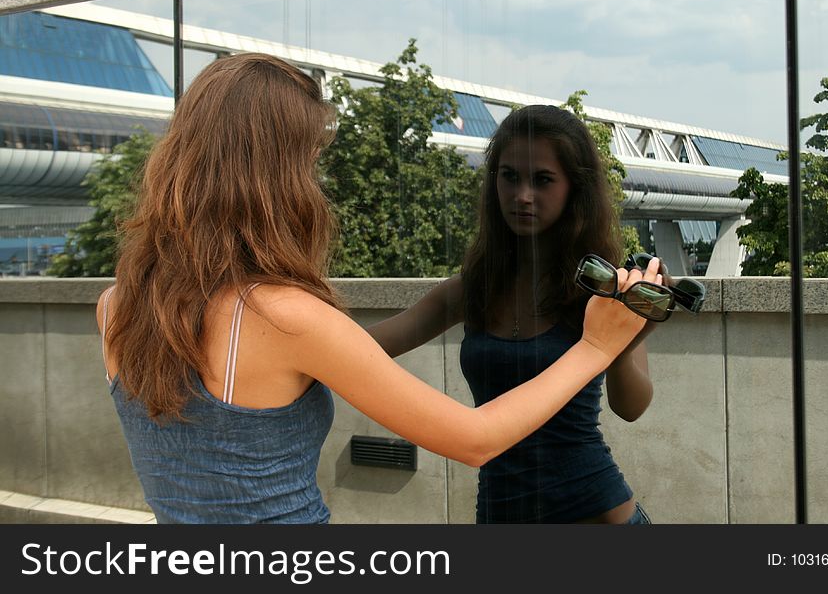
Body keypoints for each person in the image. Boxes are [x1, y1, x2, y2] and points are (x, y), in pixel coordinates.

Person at [96, 54, 660, 524]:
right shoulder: (288, 317)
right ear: (272, 175)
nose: (315, 184)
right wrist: (594, 346)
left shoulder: (116, 308)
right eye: (308, 162)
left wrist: (621, 341)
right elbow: (473, 437)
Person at [368, 105, 660, 524]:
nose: (522, 195)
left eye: (542, 180)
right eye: (509, 177)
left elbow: (630, 407)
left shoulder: (599, 289)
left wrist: (624, 340)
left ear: (574, 189)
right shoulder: (474, 289)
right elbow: (362, 349)